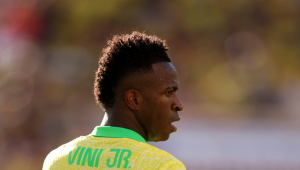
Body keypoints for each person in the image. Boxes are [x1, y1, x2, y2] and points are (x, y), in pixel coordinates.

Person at [43, 31, 185, 170]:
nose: (178, 105)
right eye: (168, 92)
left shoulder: (56, 160)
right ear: (133, 99)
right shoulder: (164, 166)